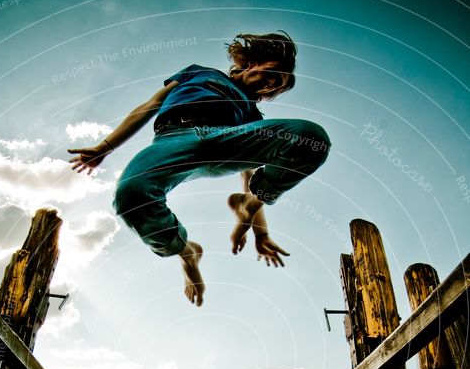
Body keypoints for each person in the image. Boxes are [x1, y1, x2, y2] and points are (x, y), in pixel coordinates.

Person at [68, 32, 331, 307]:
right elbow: (150, 105)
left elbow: (248, 172)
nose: (270, 84)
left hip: (225, 141)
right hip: (174, 138)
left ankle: (248, 205)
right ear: (253, 63)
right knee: (131, 196)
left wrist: (260, 232)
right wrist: (105, 147)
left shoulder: (252, 113)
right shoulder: (198, 72)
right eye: (272, 73)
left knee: (311, 138)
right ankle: (186, 251)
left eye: (277, 85)